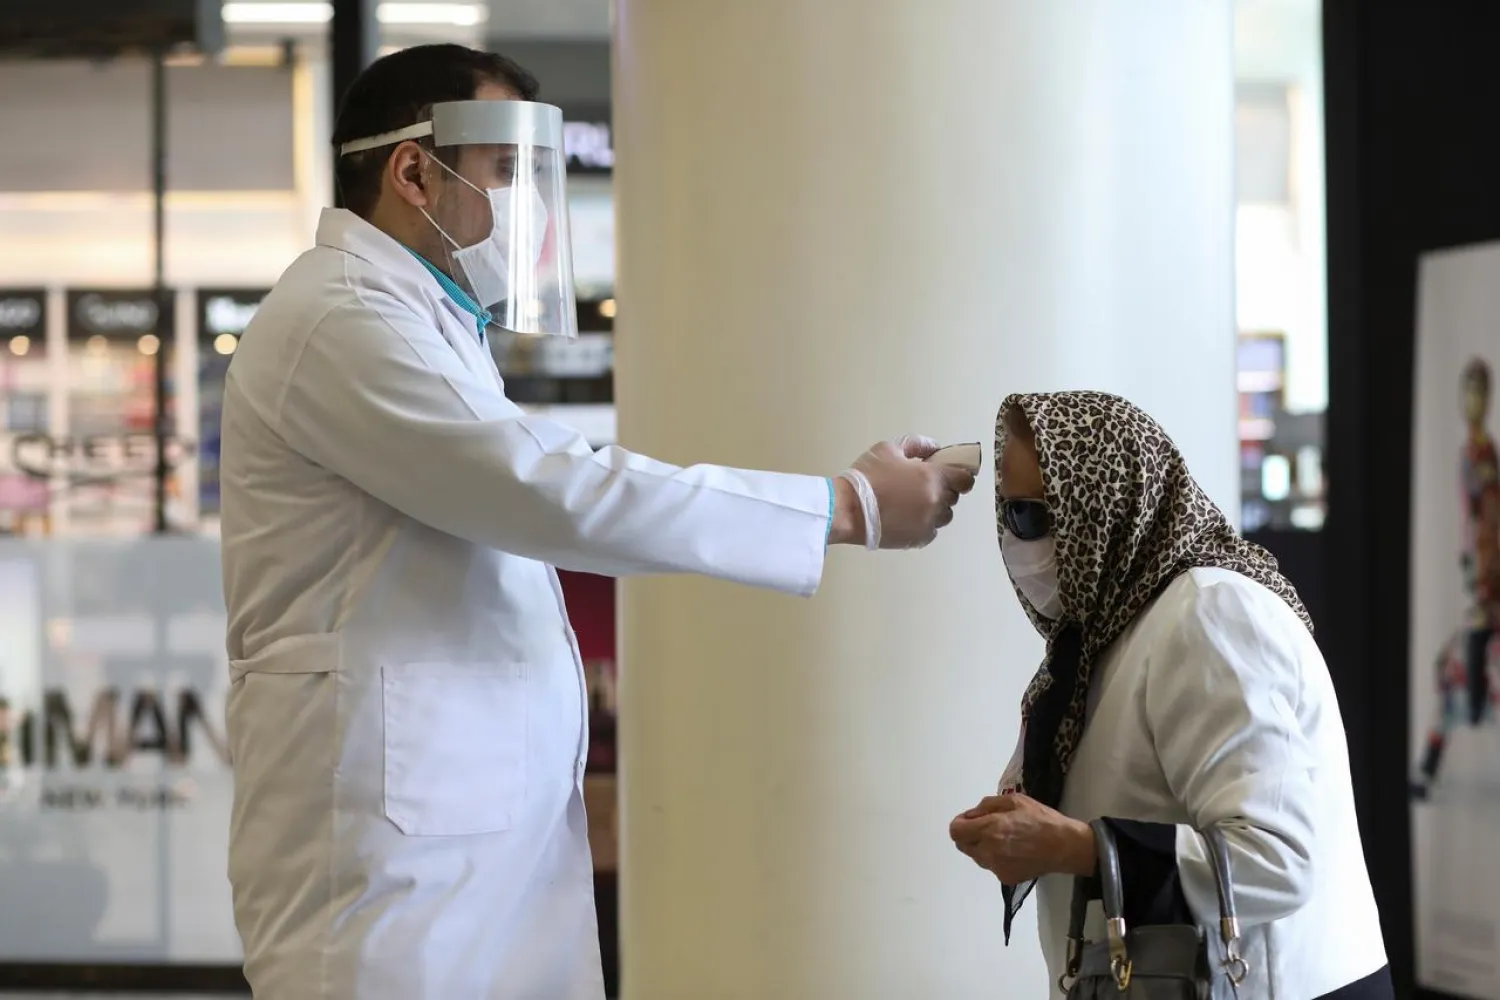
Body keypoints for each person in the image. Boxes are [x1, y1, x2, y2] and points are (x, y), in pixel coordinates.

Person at [217, 43, 975, 1000]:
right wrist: (841, 505)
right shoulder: (339, 321)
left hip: (462, 834)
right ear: (413, 171)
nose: (530, 208)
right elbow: (546, 489)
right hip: (391, 850)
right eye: (506, 171)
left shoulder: (421, 318)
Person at [947, 391, 1389, 1000]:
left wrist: (1075, 846)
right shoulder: (1109, 634)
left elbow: (1275, 859)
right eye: (1007, 515)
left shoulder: (1210, 614)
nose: (1017, 542)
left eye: (1034, 517)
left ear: (1106, 506)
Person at [1413, 357, 1500, 797]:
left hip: (1488, 584)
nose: (1473, 401)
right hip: (1478, 579)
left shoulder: (1484, 457)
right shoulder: (1471, 451)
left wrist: (1485, 576)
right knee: (1450, 673)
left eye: (1479, 391)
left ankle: (1430, 765)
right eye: (1468, 391)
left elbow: (1488, 521)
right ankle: (1428, 766)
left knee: (1467, 671)